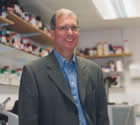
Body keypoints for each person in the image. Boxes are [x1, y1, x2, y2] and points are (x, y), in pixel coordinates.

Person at [19, 8, 110, 125]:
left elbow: (102, 117)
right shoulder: (33, 72)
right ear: (52, 34)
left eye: (74, 28)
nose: (70, 32)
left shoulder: (94, 70)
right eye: (63, 28)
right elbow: (28, 121)